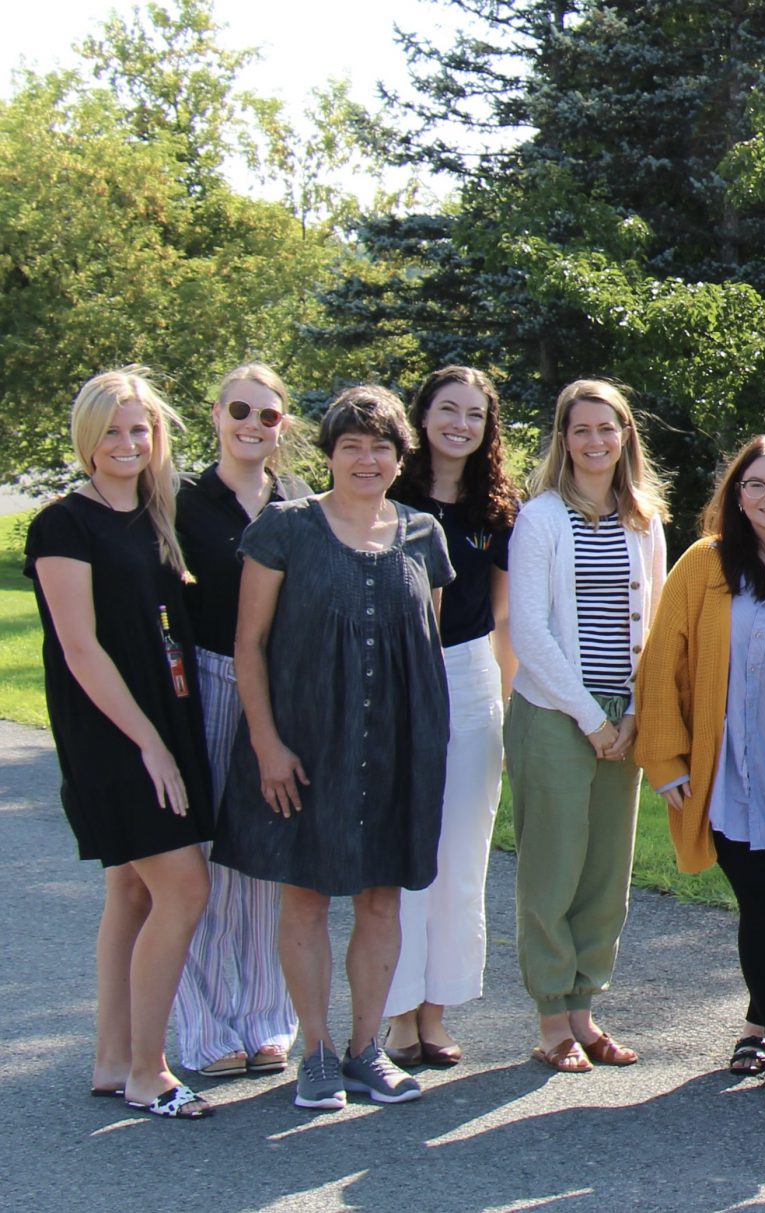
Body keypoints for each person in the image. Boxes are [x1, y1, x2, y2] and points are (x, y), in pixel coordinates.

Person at [218, 386, 454, 1110]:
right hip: (305, 744)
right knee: (307, 895)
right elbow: (249, 644)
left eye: (381, 445)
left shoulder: (422, 534)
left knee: (383, 898)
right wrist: (266, 743)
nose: (366, 457)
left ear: (398, 457)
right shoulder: (285, 526)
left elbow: (427, 647)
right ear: (329, 453)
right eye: (351, 444)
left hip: (395, 747)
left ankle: (365, 1050)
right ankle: (316, 1051)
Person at [28, 367, 218, 1119]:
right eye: (112, 429)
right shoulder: (62, 523)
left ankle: (112, 1059)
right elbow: (80, 648)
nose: (128, 442)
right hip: (115, 731)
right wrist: (151, 744)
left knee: (133, 887)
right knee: (184, 887)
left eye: (139, 428)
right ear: (86, 437)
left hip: (163, 718)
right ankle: (150, 1069)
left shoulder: (155, 513)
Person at [637, 436, 765, 1098]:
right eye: (756, 483)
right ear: (736, 495)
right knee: (758, 896)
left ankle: (754, 1022)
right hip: (727, 770)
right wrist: (666, 761)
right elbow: (661, 665)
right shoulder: (705, 563)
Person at [505, 379, 670, 1072]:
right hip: (553, 712)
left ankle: (584, 1009)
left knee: (607, 868)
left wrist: (633, 710)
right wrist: (588, 717)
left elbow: (654, 621)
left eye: (608, 428)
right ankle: (551, 1015)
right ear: (563, 439)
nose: (596, 441)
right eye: (581, 430)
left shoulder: (645, 520)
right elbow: (532, 631)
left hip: (623, 713)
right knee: (555, 864)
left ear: (626, 434)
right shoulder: (541, 518)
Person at [170, 364, 307, 1082]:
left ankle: (265, 1017)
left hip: (279, 692)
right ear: (217, 413)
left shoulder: (298, 502)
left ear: (284, 424)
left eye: (269, 414)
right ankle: (202, 1026)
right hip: (204, 680)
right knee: (202, 860)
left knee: (261, 859)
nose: (254, 424)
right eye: (241, 410)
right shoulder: (182, 500)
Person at [383, 366, 519, 1069]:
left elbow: (501, 617)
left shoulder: (498, 507)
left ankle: (435, 1013)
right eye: (447, 409)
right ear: (423, 415)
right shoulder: (389, 496)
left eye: (473, 413)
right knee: (405, 850)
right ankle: (397, 1013)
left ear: (487, 425)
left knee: (461, 854)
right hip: (396, 677)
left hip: (470, 677)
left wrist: (505, 703)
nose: (459, 423)